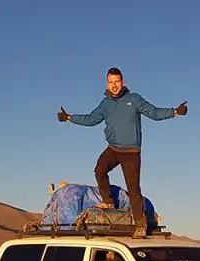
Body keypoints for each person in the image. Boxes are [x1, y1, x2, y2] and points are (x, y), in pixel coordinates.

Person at [59, 67, 186, 238]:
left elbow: (154, 113)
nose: (114, 85)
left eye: (117, 82)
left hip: (131, 151)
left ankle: (140, 226)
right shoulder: (106, 104)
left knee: (133, 190)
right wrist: (69, 118)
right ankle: (108, 202)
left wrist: (175, 112)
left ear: (122, 82)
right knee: (100, 169)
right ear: (107, 83)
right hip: (113, 148)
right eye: (111, 82)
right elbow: (91, 119)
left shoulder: (134, 99)